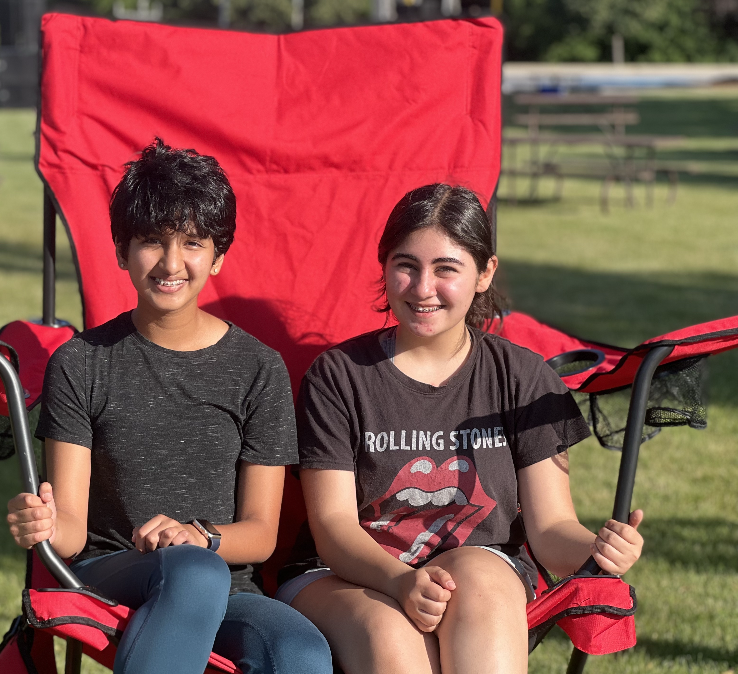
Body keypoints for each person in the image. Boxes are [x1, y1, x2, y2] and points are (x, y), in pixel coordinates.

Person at [275, 183, 644, 674]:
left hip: (480, 567)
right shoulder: (338, 376)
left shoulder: (523, 376)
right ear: (384, 266)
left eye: (446, 268)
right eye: (406, 265)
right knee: (390, 635)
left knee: (481, 575)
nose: (423, 288)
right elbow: (334, 529)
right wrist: (401, 581)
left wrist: (596, 549)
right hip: (344, 575)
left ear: (485, 272)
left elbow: (552, 528)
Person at [6, 138, 331, 674]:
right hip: (114, 572)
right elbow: (70, 529)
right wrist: (41, 524)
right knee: (191, 573)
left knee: (299, 653)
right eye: (152, 241)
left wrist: (198, 535)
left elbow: (261, 532)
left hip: (225, 581)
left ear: (219, 254)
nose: (171, 262)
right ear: (120, 250)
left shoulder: (259, 369)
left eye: (193, 242)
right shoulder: (81, 363)